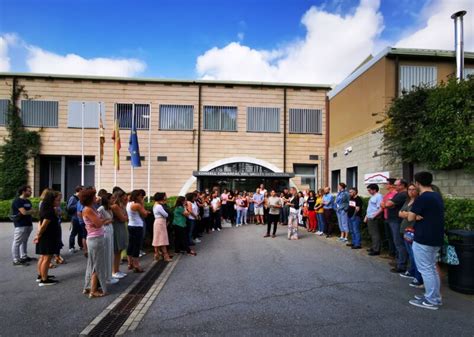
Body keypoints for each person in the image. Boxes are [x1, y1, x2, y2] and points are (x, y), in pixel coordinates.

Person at [408, 172, 444, 310]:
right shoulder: (436, 195)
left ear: (417, 183)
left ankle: (432, 300)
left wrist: (414, 215)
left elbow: (410, 217)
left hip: (424, 238)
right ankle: (433, 296)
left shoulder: (423, 198)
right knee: (431, 268)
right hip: (434, 237)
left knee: (426, 269)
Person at [81, 188, 112, 297]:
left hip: (96, 238)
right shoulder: (88, 209)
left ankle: (89, 287)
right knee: (96, 265)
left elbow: (98, 222)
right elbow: (99, 223)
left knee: (94, 264)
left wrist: (101, 221)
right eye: (94, 196)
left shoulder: (91, 208)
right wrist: (103, 221)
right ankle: (93, 291)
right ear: (90, 198)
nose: (96, 197)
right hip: (95, 239)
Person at [34, 190, 61, 286]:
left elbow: (39, 222)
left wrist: (38, 234)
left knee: (43, 257)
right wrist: (38, 235)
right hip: (48, 237)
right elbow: (44, 225)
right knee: (47, 258)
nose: (59, 202)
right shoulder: (49, 211)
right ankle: (44, 280)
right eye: (58, 200)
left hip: (45, 236)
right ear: (52, 200)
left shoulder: (45, 208)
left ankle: (41, 275)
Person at [398, 184, 423, 288]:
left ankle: (418, 278)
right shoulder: (408, 201)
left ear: (417, 191)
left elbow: (418, 217)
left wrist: (407, 214)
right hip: (405, 229)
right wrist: (408, 215)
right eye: (409, 189)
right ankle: (412, 271)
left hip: (413, 230)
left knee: (414, 254)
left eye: (414, 189)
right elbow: (400, 213)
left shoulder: (419, 201)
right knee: (410, 252)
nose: (411, 191)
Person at [385, 179, 409, 273]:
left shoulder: (402, 194)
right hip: (394, 220)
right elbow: (387, 204)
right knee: (397, 242)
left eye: (396, 185)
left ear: (402, 185)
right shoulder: (398, 194)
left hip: (396, 221)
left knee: (399, 243)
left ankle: (401, 265)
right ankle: (399, 261)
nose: (394, 186)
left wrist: (389, 203)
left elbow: (387, 204)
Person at [126, 190, 150, 273]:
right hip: (137, 226)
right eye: (141, 196)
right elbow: (144, 214)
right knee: (137, 245)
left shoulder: (129, 203)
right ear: (136, 196)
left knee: (131, 244)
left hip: (130, 225)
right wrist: (142, 204)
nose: (142, 198)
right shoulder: (137, 205)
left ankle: (130, 263)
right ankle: (136, 265)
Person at [11, 185, 34, 266]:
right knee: (17, 242)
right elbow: (24, 212)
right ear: (23, 191)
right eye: (29, 191)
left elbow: (30, 211)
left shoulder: (28, 201)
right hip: (20, 224)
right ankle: (16, 260)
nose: (30, 192)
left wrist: (27, 212)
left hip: (28, 224)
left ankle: (24, 256)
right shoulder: (17, 201)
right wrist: (29, 211)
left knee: (24, 241)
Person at [97, 193, 117, 285]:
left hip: (110, 230)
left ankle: (109, 275)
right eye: (112, 198)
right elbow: (98, 221)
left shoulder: (109, 208)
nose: (114, 200)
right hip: (105, 231)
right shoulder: (101, 209)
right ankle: (106, 277)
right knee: (106, 254)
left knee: (110, 253)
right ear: (107, 199)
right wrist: (108, 221)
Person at [110, 189, 128, 279]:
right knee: (116, 250)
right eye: (124, 196)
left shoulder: (121, 205)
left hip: (120, 227)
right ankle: (114, 271)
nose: (126, 197)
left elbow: (125, 217)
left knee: (119, 250)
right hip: (117, 228)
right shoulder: (115, 206)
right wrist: (125, 217)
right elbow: (123, 218)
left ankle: (117, 270)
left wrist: (125, 217)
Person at [152, 192, 172, 262]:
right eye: (164, 196)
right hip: (160, 222)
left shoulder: (156, 205)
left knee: (157, 239)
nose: (166, 197)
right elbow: (166, 214)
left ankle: (157, 254)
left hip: (158, 222)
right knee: (162, 239)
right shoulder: (159, 206)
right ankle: (165, 256)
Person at [365, 184, 383, 256]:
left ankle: (376, 250)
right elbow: (370, 208)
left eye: (369, 190)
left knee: (375, 234)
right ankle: (373, 247)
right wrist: (366, 216)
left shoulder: (379, 196)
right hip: (370, 217)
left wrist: (374, 216)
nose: (368, 191)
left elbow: (380, 208)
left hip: (374, 218)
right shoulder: (373, 196)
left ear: (374, 190)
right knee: (372, 233)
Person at [381, 178, 397, 257]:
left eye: (387, 184)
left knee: (395, 237)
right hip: (386, 217)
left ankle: (397, 255)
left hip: (393, 219)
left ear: (391, 185)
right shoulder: (387, 194)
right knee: (389, 237)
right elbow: (383, 204)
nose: (385, 185)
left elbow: (387, 205)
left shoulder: (395, 194)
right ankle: (391, 253)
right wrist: (385, 205)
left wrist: (386, 205)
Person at [67, 185, 83, 253]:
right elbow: (69, 208)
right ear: (79, 191)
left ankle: (81, 245)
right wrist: (78, 205)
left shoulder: (80, 198)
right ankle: (71, 247)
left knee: (80, 232)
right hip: (75, 218)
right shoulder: (73, 198)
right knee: (74, 232)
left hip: (79, 218)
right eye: (83, 190)